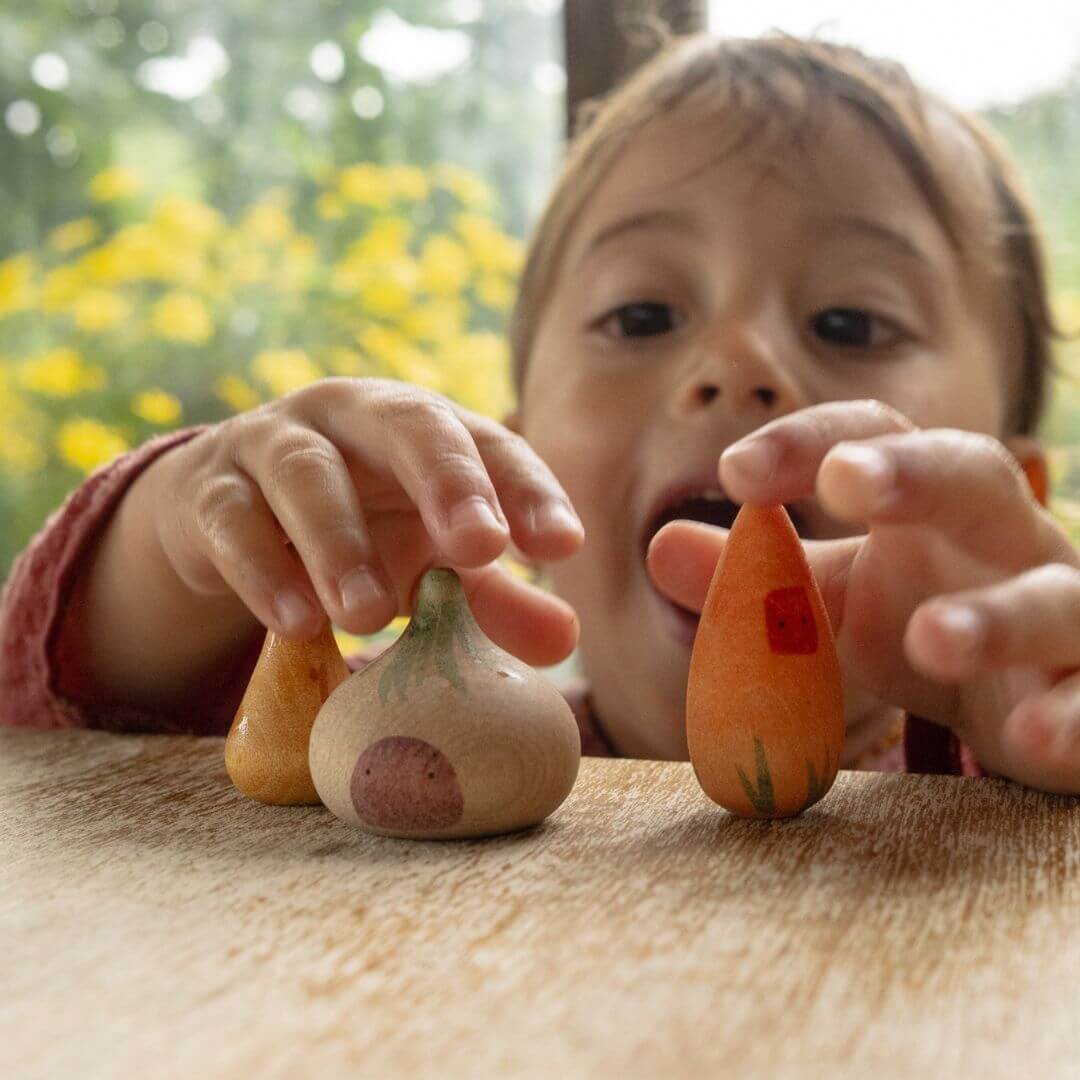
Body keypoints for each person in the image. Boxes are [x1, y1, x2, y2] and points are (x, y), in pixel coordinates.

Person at [3, 33, 1078, 795]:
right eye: (644, 312)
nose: (737, 367)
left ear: (1011, 498)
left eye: (850, 322)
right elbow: (89, 729)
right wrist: (178, 542)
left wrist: (1036, 745)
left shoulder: (1014, 762)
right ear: (525, 452)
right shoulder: (440, 741)